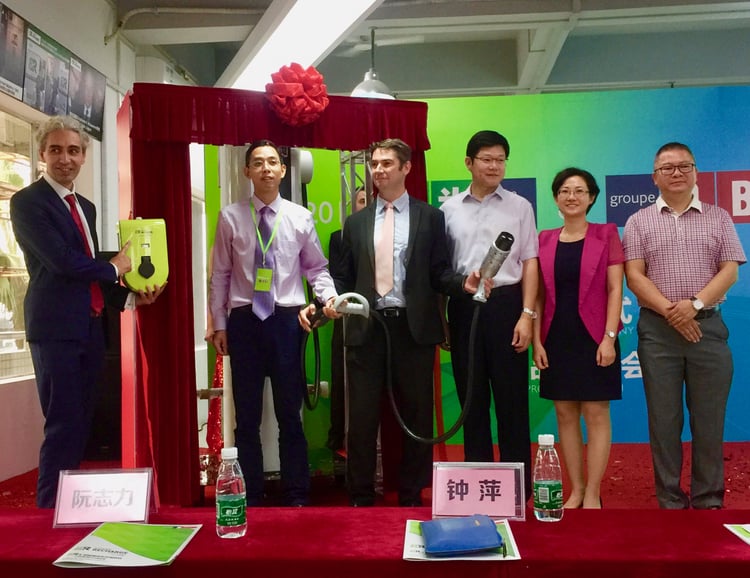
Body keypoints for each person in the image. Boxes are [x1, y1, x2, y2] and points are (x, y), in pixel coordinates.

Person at [310, 138, 480, 507]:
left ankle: (411, 492)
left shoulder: (430, 218)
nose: (379, 170)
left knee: (417, 413)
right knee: (362, 415)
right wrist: (326, 303)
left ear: (406, 168)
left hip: (412, 328)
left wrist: (462, 284)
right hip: (366, 326)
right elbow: (342, 277)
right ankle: (360, 494)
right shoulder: (355, 223)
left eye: (387, 163)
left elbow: (439, 272)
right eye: (374, 164)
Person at [9, 115, 164, 508]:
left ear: (84, 157)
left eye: (74, 151)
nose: (65, 158)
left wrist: (130, 298)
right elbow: (62, 261)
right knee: (62, 423)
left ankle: (69, 505)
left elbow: (90, 271)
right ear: (42, 154)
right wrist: (116, 267)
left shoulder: (86, 207)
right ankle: (48, 509)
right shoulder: (27, 202)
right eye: (56, 150)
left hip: (91, 328)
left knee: (83, 423)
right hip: (54, 330)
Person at [209, 140, 338, 507]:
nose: (265, 168)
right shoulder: (230, 217)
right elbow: (220, 275)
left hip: (286, 322)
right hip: (244, 322)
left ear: (283, 170)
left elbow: (316, 268)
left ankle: (296, 492)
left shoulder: (300, 217)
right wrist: (219, 323)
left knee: (289, 415)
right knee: (246, 417)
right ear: (246, 172)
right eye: (257, 163)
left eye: (272, 162)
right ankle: (250, 494)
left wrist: (328, 298)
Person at [623, 142, 746, 510]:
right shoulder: (639, 221)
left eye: (684, 166)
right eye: (668, 167)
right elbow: (634, 275)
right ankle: (670, 500)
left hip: (707, 329)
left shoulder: (718, 217)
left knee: (709, 420)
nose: (676, 173)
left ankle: (709, 500)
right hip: (658, 332)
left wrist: (694, 306)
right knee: (664, 420)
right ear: (654, 177)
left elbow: (730, 270)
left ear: (695, 172)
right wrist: (672, 313)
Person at [441, 129, 539, 500]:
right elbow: (442, 269)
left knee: (512, 401)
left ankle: (518, 492)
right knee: (472, 401)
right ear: (469, 163)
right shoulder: (448, 209)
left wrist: (526, 314)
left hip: (506, 305)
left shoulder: (519, 206)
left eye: (500, 160)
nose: (494, 166)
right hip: (464, 306)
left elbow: (530, 261)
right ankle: (477, 489)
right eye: (487, 159)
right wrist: (442, 318)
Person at [532, 167, 624, 509]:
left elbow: (615, 289)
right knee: (565, 414)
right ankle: (576, 489)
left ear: (592, 197)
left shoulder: (606, 234)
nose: (572, 197)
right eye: (565, 191)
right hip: (556, 337)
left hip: (596, 337)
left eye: (580, 191)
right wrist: (537, 341)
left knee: (596, 413)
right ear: (556, 198)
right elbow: (537, 296)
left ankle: (594, 493)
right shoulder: (543, 239)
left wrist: (609, 337)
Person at [326, 187, 367, 454]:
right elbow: (338, 277)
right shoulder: (340, 237)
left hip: (383, 317)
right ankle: (339, 438)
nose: (366, 204)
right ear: (352, 206)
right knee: (343, 381)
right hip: (348, 313)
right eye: (361, 200)